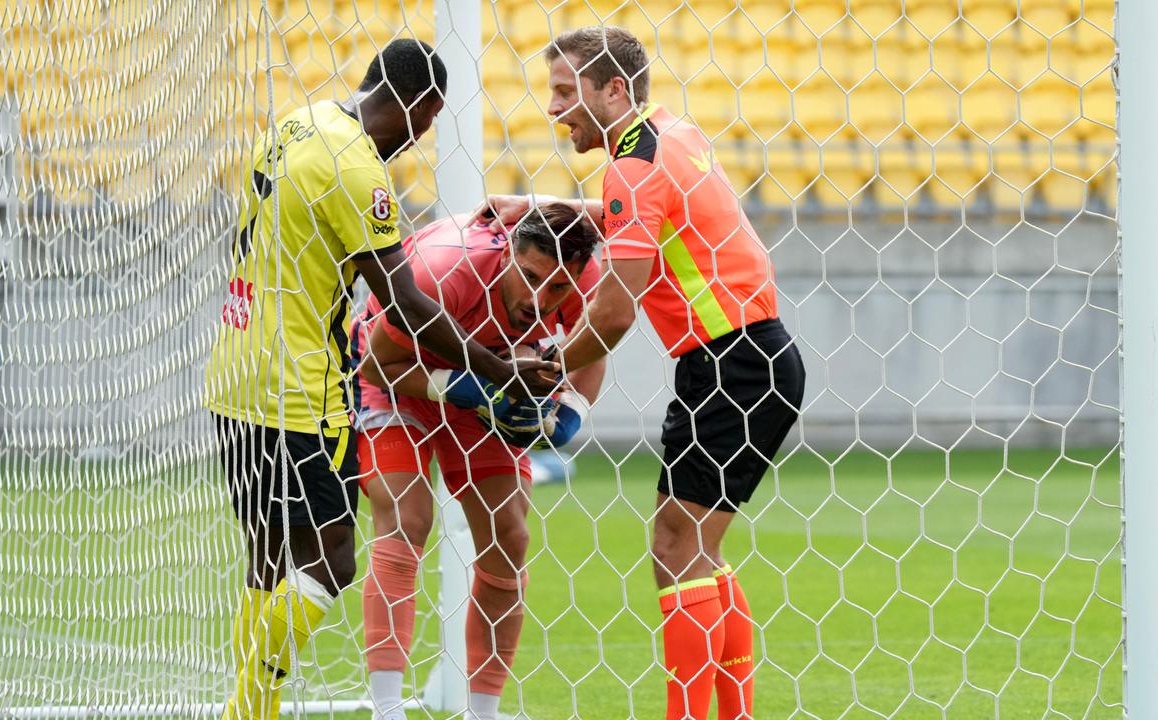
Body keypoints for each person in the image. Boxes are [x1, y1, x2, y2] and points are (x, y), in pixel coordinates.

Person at [204, 39, 558, 720]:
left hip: (237, 368)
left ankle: (255, 709)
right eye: (427, 122)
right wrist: (496, 368)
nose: (422, 137)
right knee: (334, 556)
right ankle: (244, 707)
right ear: (420, 106)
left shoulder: (296, 124)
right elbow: (405, 305)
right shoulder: (359, 171)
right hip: (299, 384)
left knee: (270, 554)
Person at [477, 26, 807, 720]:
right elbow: (646, 214)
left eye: (568, 92)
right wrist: (540, 210)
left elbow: (616, 313)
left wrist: (546, 365)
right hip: (755, 358)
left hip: (730, 365)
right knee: (698, 550)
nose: (555, 107)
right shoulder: (672, 135)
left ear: (614, 90)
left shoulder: (630, 165)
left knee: (673, 546)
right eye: (553, 92)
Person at [352, 203, 605, 720]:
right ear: (510, 253)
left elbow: (594, 344)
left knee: (510, 537)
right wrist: (465, 387)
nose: (539, 301)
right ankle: (386, 710)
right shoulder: (447, 269)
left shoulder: (587, 278)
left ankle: (482, 713)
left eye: (557, 289)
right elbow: (378, 364)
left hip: (491, 381)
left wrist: (572, 414)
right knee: (406, 518)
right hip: (398, 376)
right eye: (530, 277)